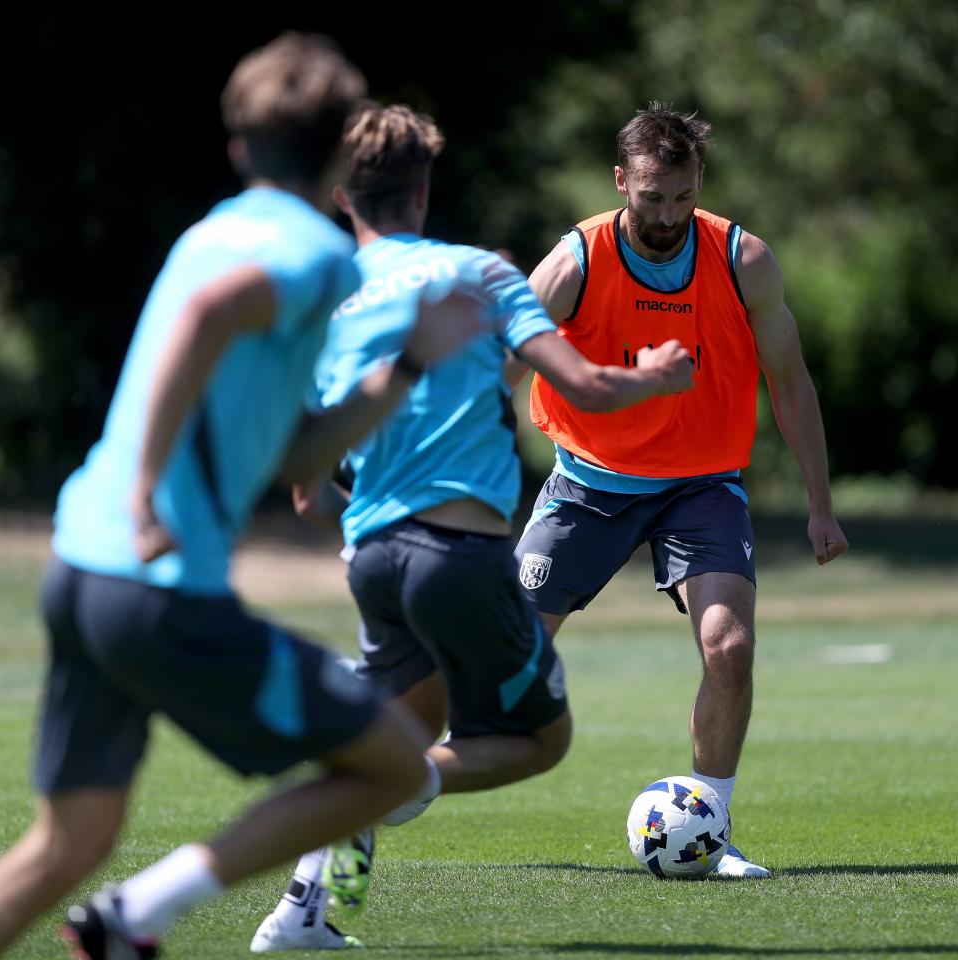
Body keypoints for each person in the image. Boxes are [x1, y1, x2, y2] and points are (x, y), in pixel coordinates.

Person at [0, 34, 485, 960]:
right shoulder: (314, 255)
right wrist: (148, 494)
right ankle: (138, 915)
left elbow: (295, 451)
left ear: (238, 148)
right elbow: (205, 316)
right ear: (343, 154)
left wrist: (409, 365)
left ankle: (115, 913)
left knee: (68, 842)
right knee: (387, 765)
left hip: (81, 572)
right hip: (160, 588)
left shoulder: (209, 230)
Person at [249, 102, 695, 952]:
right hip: (457, 554)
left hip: (372, 557)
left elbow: (307, 492)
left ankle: (307, 913)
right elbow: (587, 388)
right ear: (423, 190)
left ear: (344, 196)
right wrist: (660, 377)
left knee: (400, 725)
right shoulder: (480, 274)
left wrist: (377, 535)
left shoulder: (322, 303)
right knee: (535, 740)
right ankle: (391, 785)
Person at [514, 102, 849, 880]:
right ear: (621, 180)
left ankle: (713, 825)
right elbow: (501, 362)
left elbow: (790, 381)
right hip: (588, 482)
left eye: (682, 197)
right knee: (510, 654)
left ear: (701, 183)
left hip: (701, 485)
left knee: (729, 646)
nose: (666, 215)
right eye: (650, 196)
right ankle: (415, 772)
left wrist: (820, 503)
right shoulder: (576, 262)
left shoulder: (742, 259)